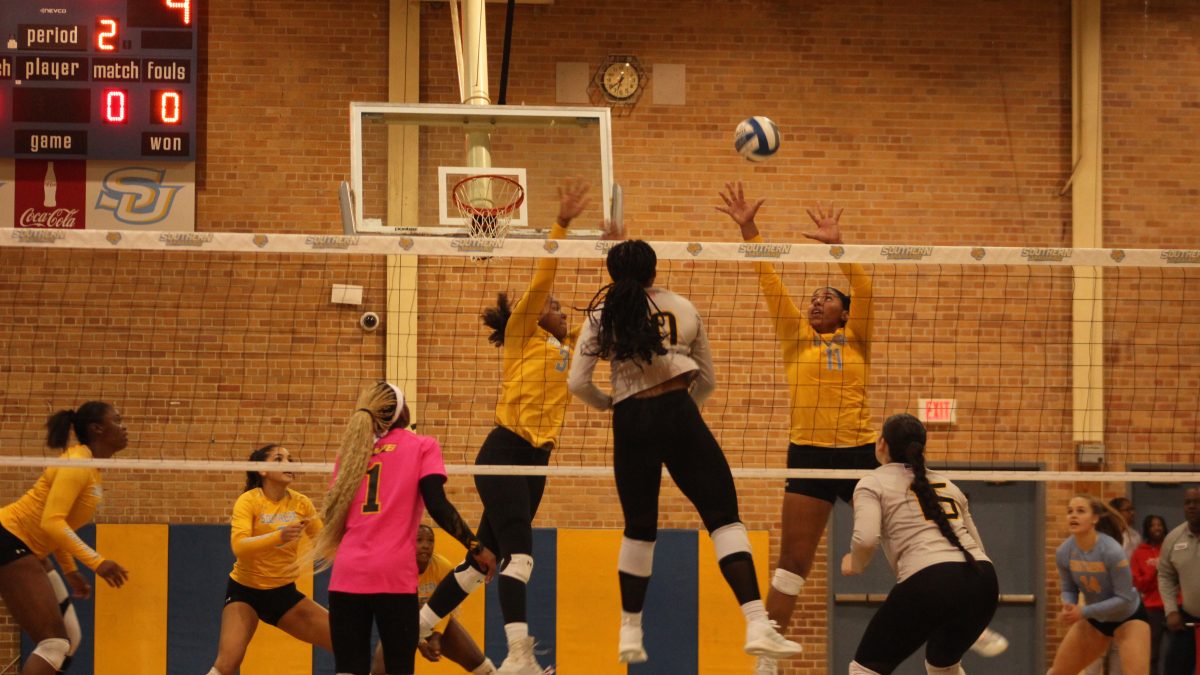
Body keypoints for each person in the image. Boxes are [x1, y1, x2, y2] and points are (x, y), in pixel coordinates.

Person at [567, 238, 802, 666]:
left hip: (629, 419)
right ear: (655, 271)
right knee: (723, 517)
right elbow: (708, 379)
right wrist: (679, 417)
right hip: (678, 412)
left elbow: (577, 383)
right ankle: (756, 623)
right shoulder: (683, 306)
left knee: (639, 526)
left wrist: (611, 405)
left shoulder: (603, 314)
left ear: (612, 273)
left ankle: (629, 633)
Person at [419, 180, 591, 675]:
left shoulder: (571, 344)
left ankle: (422, 620)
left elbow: (604, 321)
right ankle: (518, 657)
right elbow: (541, 284)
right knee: (522, 556)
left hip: (537, 461)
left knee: (484, 562)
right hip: (504, 450)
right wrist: (561, 224)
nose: (559, 309)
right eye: (553, 307)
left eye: (559, 308)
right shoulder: (523, 337)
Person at [717, 181, 876, 673]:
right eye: (812, 298)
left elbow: (865, 288)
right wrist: (749, 229)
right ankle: (767, 662)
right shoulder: (797, 339)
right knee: (792, 566)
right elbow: (769, 281)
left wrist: (837, 248)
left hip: (860, 453)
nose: (814, 302)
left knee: (911, 543)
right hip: (807, 454)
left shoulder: (857, 338)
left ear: (844, 313)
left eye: (825, 297)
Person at [307, 381, 497, 675]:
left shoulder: (351, 455)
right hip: (393, 575)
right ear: (399, 411)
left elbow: (335, 515)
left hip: (347, 575)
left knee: (347, 669)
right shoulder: (422, 445)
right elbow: (438, 505)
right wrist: (476, 546)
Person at [840, 413, 997, 675]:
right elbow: (978, 546)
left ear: (881, 444)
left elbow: (866, 539)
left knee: (863, 670)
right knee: (942, 667)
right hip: (983, 580)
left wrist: (854, 562)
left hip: (930, 580)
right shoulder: (948, 485)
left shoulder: (873, 481)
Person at [0, 402, 130, 675]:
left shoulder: (90, 467)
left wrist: (70, 571)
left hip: (29, 547)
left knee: (70, 637)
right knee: (54, 644)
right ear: (97, 429)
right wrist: (97, 562)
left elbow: (60, 526)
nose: (125, 427)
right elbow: (52, 521)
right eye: (118, 421)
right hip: (11, 539)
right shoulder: (77, 464)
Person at [207, 444, 329, 675]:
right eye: (279, 459)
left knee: (346, 642)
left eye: (290, 459)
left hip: (283, 595)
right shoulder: (249, 501)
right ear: (262, 469)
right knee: (226, 664)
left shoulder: (301, 503)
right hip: (245, 592)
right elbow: (239, 547)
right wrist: (279, 536)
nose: (288, 464)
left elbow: (324, 545)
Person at [1047, 495, 1150, 675]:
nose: (1073, 516)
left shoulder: (1112, 551)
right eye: (1070, 511)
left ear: (1094, 518)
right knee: (1058, 672)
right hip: (1097, 619)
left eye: (1080, 511)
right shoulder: (1064, 551)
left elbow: (1124, 598)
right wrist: (1069, 604)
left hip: (1129, 617)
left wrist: (1083, 612)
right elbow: (1069, 587)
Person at [372, 525, 495, 675]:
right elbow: (391, 611)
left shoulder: (443, 566)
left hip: (434, 621)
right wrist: (420, 641)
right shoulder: (396, 567)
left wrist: (437, 636)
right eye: (419, 540)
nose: (425, 545)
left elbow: (447, 606)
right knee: (379, 670)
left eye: (430, 541)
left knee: (479, 663)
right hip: (400, 623)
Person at [1158, 487, 1200, 675]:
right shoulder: (1173, 539)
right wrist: (1171, 610)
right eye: (1188, 502)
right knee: (1173, 669)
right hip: (1188, 619)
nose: (1192, 506)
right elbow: (1165, 576)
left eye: (1197, 502)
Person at [1132, 514, 1169, 675]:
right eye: (1153, 525)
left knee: (1176, 651)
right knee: (1152, 652)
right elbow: (1139, 584)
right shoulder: (1139, 553)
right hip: (1151, 608)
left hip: (1174, 606)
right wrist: (1153, 572)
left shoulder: (1171, 548)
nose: (1157, 528)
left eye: (1159, 524)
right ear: (1147, 529)